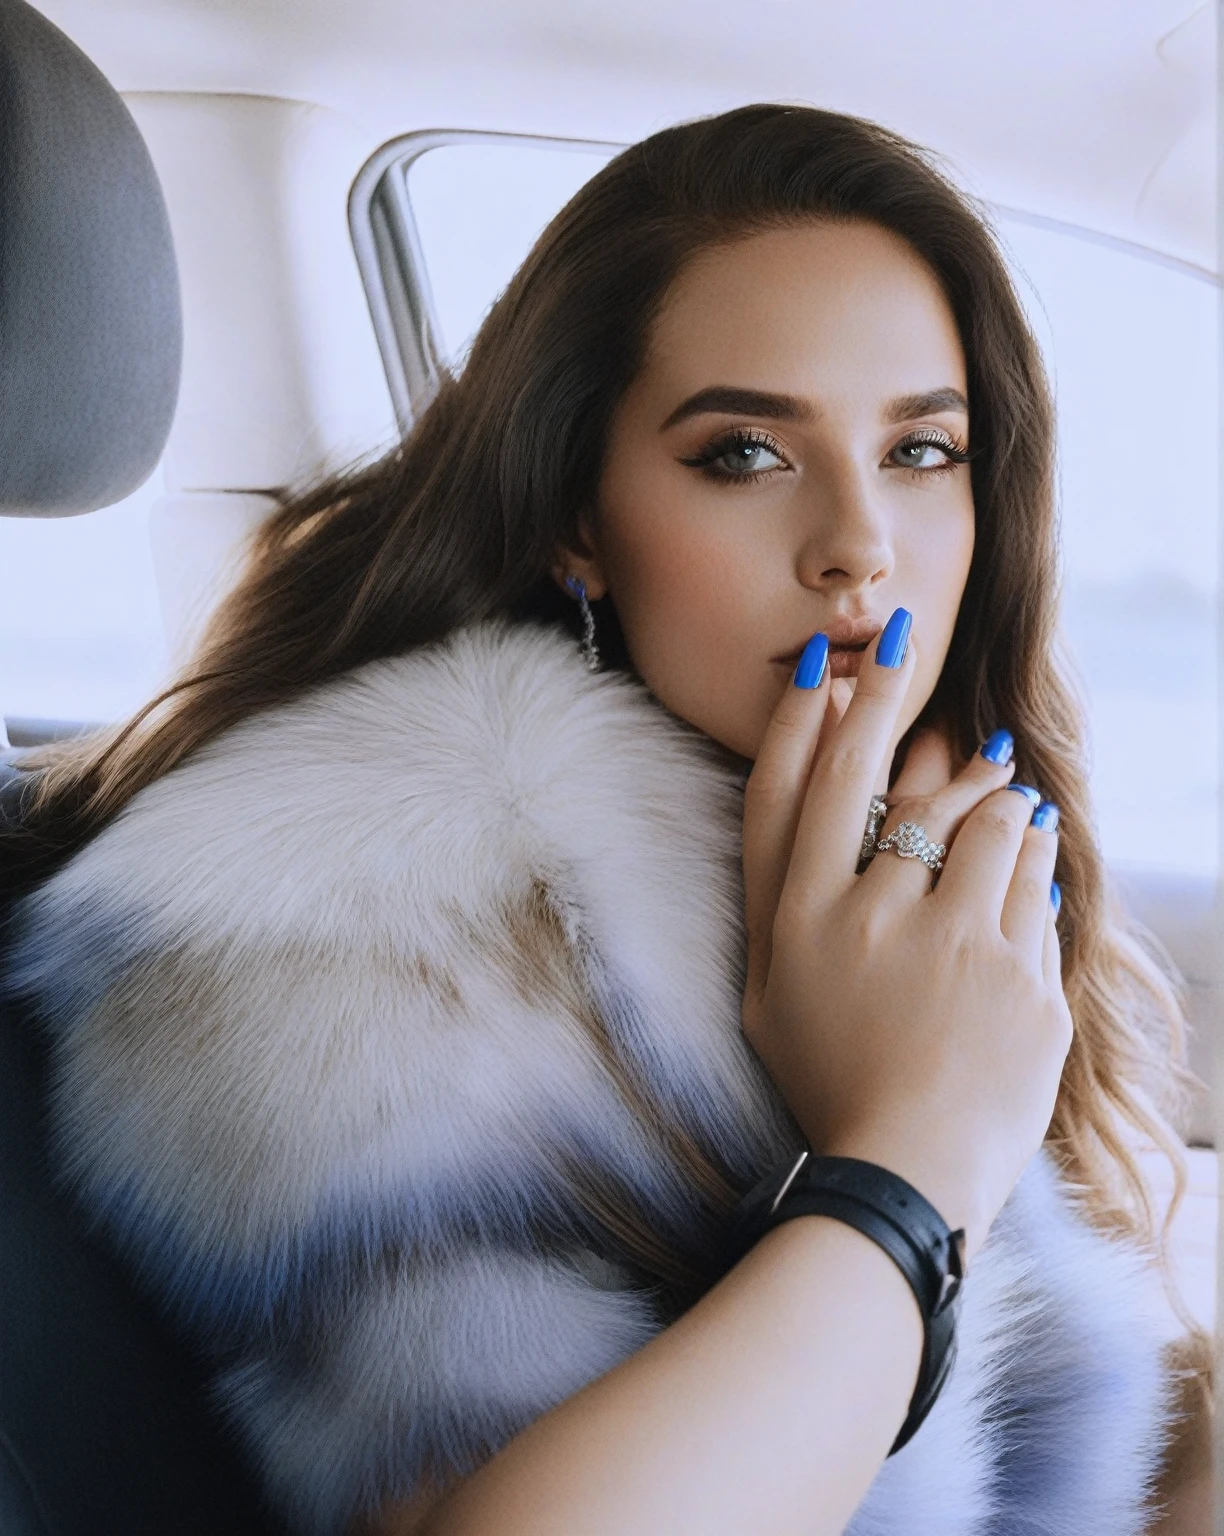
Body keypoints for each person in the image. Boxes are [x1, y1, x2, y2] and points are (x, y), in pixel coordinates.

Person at [0, 104, 1209, 1535]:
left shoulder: (901, 868)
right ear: (580, 519)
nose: (859, 546)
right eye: (746, 454)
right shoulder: (344, 926)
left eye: (922, 451)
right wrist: (918, 1153)